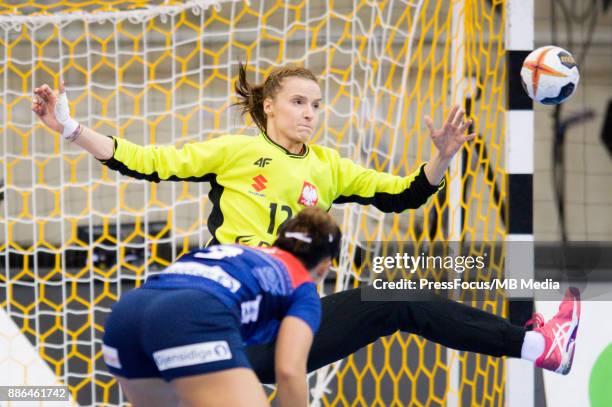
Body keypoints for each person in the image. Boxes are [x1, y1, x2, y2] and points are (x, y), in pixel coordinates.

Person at [32, 63, 580, 384]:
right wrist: (71, 127)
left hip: (291, 322)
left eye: (317, 104)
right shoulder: (234, 152)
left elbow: (401, 195)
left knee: (398, 298)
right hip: (234, 323)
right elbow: (146, 161)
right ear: (268, 107)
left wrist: (438, 160)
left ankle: (537, 347)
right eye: (298, 102)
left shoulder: (329, 166)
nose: (310, 113)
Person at [102, 207, 342, 407]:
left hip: (126, 314)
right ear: (324, 267)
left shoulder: (238, 251)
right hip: (191, 315)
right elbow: (289, 370)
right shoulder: (301, 284)